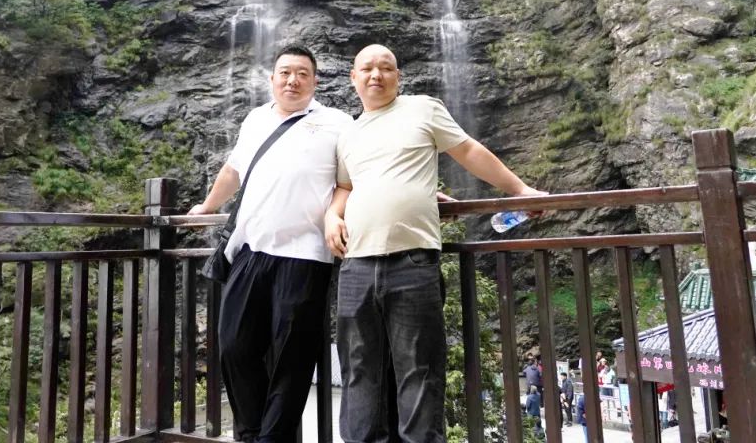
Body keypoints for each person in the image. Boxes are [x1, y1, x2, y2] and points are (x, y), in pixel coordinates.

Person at [324, 44, 546, 443]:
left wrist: (519, 190)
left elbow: (468, 150)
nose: (376, 75)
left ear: (398, 76)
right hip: (355, 264)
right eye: (367, 68)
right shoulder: (348, 133)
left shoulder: (422, 108)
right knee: (359, 370)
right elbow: (345, 187)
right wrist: (331, 215)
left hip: (412, 262)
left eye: (386, 68)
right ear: (353, 78)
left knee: (420, 371)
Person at [189, 44, 352, 443]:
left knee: (292, 357)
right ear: (272, 79)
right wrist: (206, 206)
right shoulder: (255, 118)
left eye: (302, 73)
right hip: (251, 249)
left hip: (305, 254)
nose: (292, 80)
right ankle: (252, 432)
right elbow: (233, 171)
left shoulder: (337, 122)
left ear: (315, 81)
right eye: (285, 73)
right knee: (233, 346)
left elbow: (351, 180)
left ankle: (272, 437)